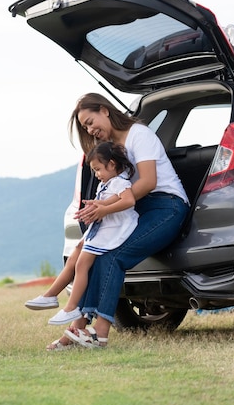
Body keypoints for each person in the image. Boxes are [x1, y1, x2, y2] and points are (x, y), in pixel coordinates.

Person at [46, 93, 190, 351]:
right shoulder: (109, 149)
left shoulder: (139, 135)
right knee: (93, 253)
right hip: (134, 207)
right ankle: (76, 330)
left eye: (90, 122)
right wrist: (97, 207)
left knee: (114, 256)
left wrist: (105, 207)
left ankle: (99, 334)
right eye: (86, 127)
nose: (90, 130)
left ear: (105, 110)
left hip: (166, 205)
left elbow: (148, 182)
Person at [25, 142, 139, 327]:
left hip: (112, 229)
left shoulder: (119, 181)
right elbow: (110, 200)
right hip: (102, 227)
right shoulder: (109, 182)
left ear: (111, 164)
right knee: (74, 256)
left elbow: (128, 200)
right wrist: (96, 205)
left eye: (98, 169)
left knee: (81, 264)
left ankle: (71, 307)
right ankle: (51, 295)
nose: (96, 174)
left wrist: (103, 210)